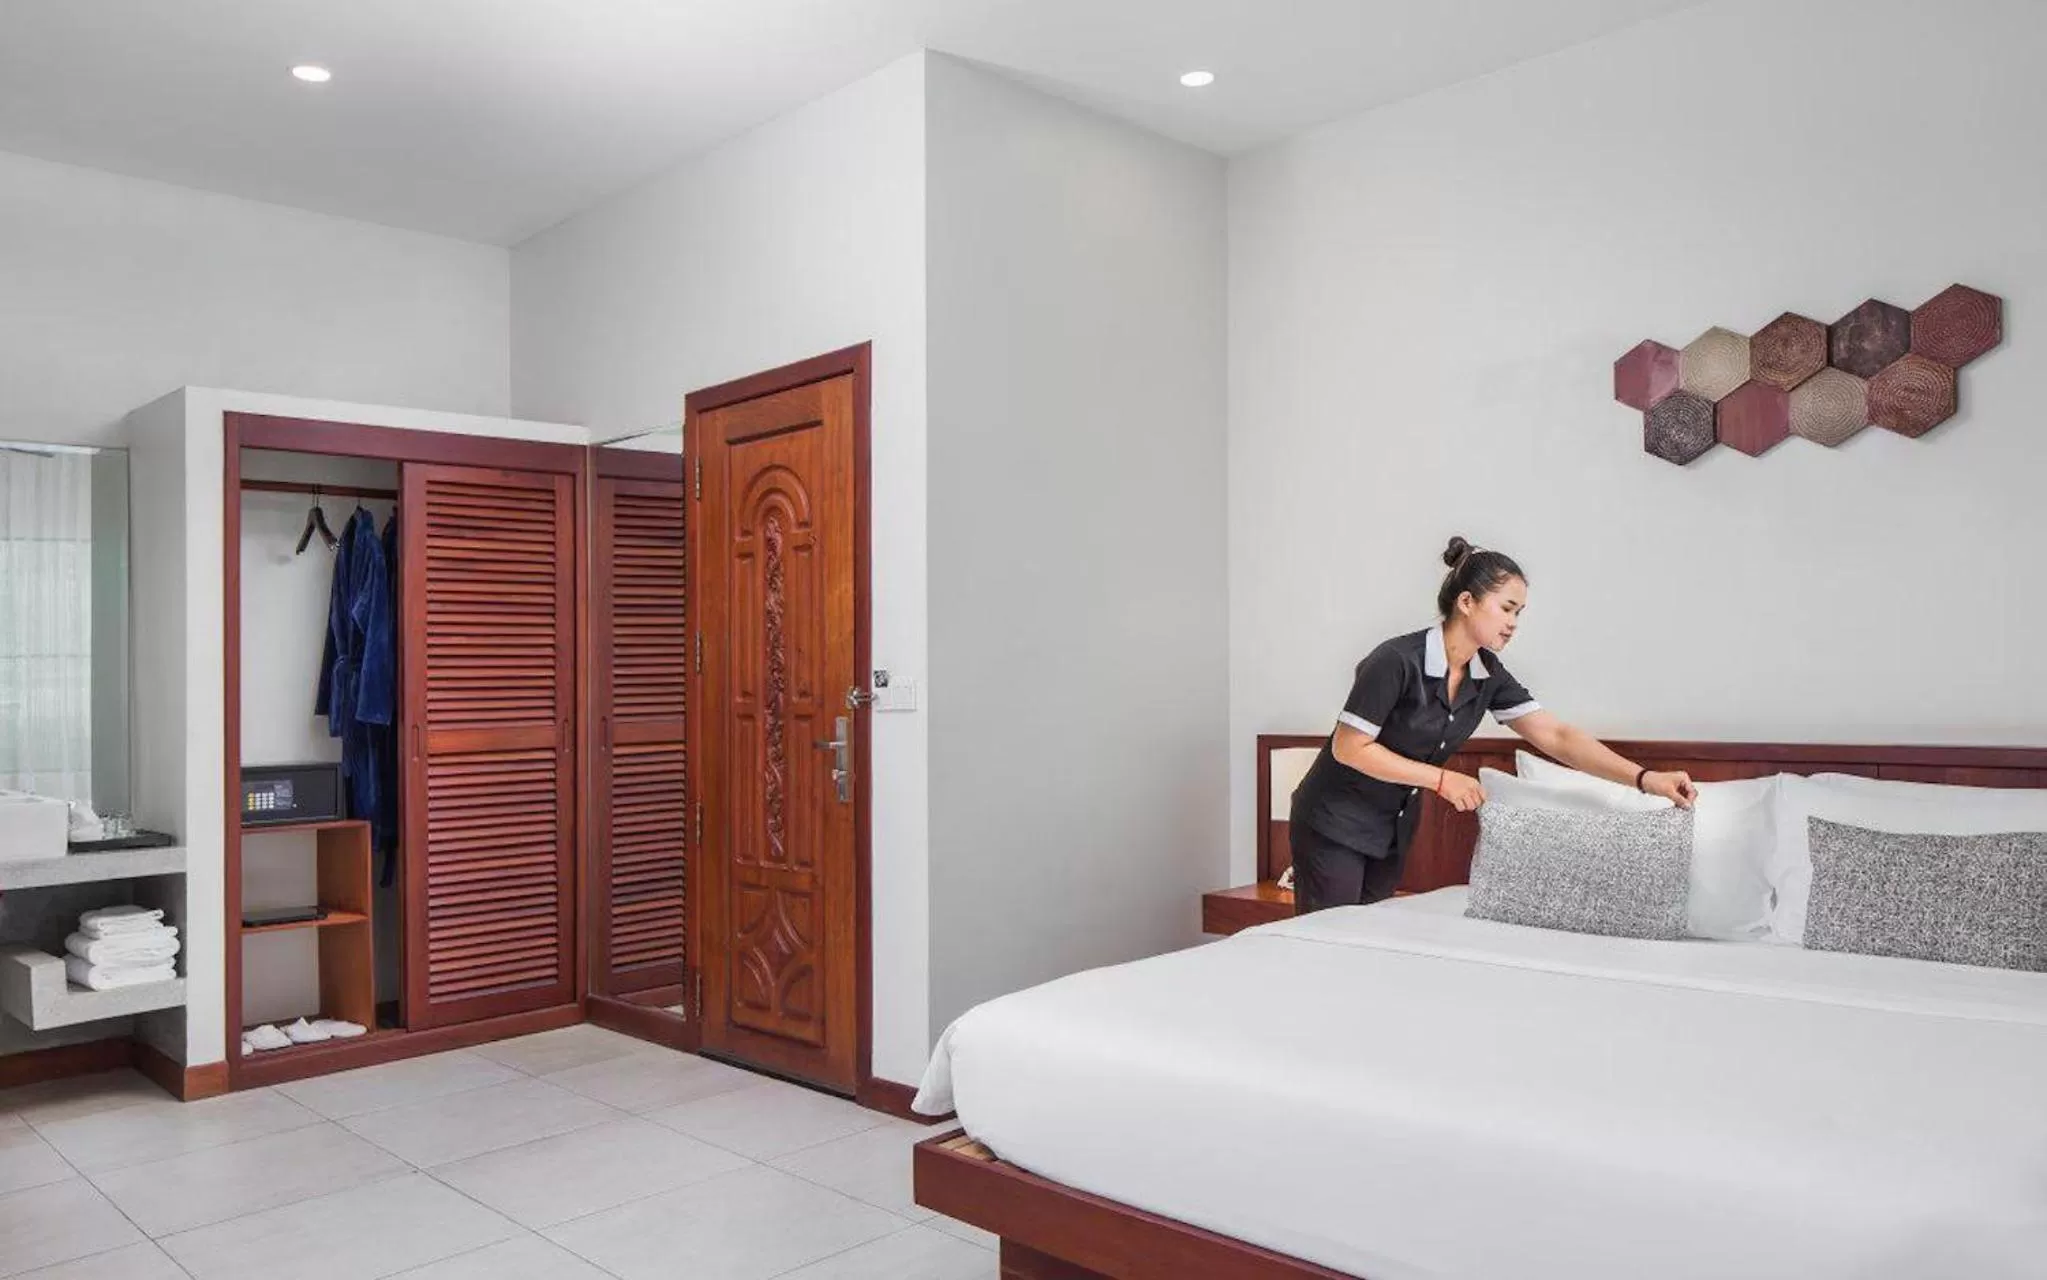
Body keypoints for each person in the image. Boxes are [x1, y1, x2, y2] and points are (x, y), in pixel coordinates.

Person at [1287, 536, 1698, 914]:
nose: (1514, 622)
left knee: (1368, 941)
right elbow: (1349, 747)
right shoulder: (1395, 661)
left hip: (1391, 829)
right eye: (1506, 608)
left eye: (1519, 613)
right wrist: (1442, 780)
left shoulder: (1487, 674)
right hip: (1332, 820)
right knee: (1329, 942)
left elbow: (1557, 737)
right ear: (1466, 601)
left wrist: (1645, 779)